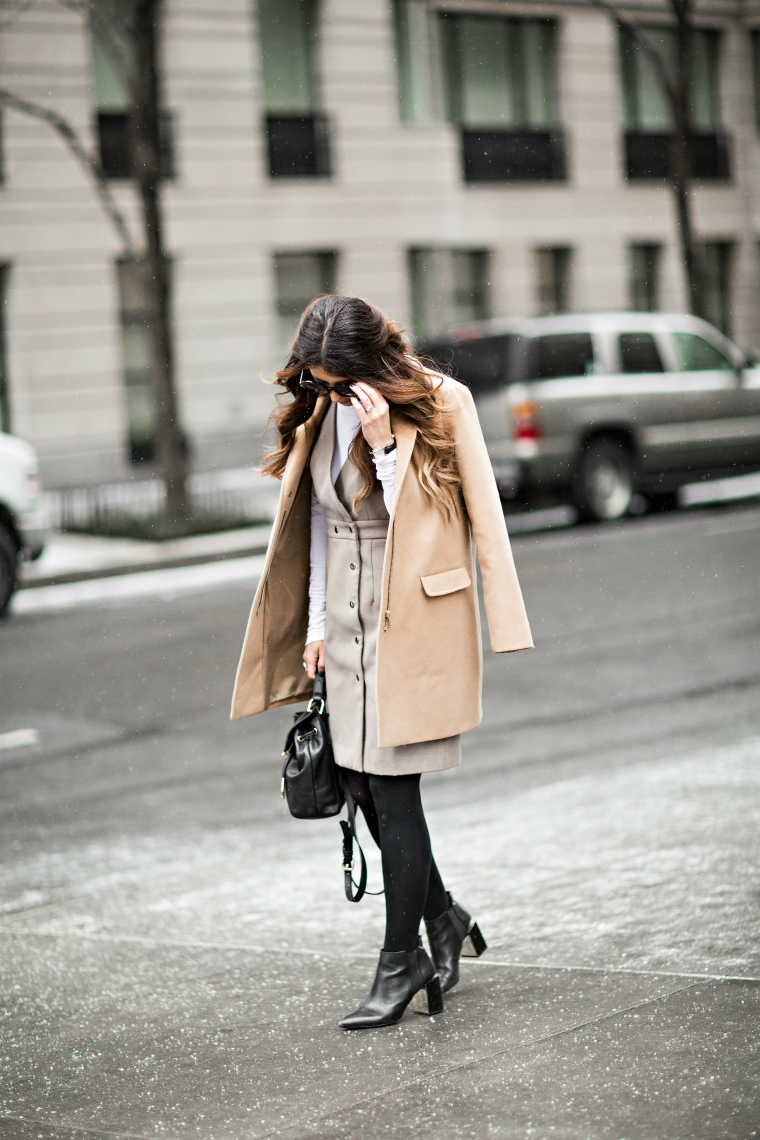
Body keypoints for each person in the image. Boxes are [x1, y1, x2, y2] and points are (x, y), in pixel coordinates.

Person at [231, 295, 533, 1029]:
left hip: (415, 622)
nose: (328, 395)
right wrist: (311, 625)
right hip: (343, 624)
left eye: (340, 382)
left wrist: (385, 447)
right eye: (319, 382)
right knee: (361, 785)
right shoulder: (319, 406)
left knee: (393, 789)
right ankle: (444, 917)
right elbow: (322, 525)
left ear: (372, 366)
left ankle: (402, 962)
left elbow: (443, 524)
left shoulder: (439, 402)